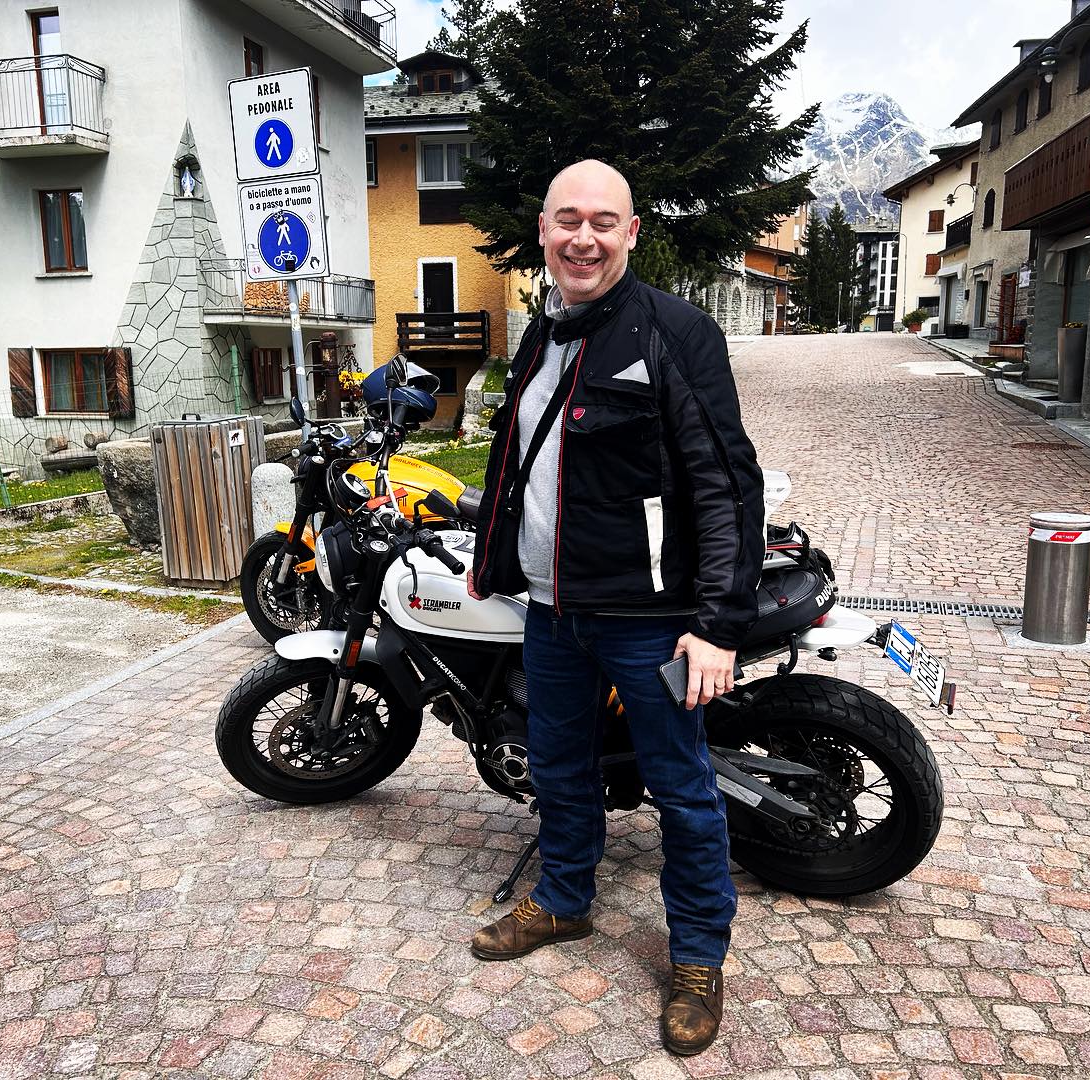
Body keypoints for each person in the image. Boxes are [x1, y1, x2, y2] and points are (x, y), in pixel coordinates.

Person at [467, 160, 765, 1056]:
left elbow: (725, 483)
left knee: (683, 791)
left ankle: (698, 957)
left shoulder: (676, 331)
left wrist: (715, 625)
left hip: (648, 618)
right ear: (545, 232)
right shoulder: (541, 332)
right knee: (559, 766)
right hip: (555, 611)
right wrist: (497, 556)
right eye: (567, 221)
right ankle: (563, 900)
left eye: (603, 221)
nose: (583, 237)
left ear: (631, 233)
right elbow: (527, 461)